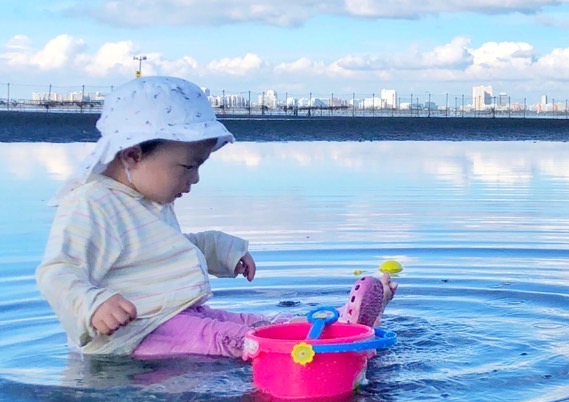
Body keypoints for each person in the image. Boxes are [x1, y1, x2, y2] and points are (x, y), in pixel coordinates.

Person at [35, 75, 393, 360]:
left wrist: (222, 250)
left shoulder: (145, 200)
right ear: (132, 155)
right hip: (134, 336)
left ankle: (336, 331)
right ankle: (323, 349)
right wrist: (92, 304)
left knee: (256, 325)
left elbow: (164, 251)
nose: (194, 179)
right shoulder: (92, 204)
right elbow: (58, 271)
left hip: (175, 318)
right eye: (187, 166)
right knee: (230, 339)